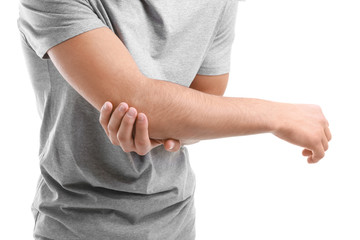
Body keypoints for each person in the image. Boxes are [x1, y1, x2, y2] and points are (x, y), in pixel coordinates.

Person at [17, 0, 331, 239]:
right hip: (76, 225)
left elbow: (205, 105)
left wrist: (171, 126)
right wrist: (276, 114)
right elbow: (139, 100)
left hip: (176, 220)